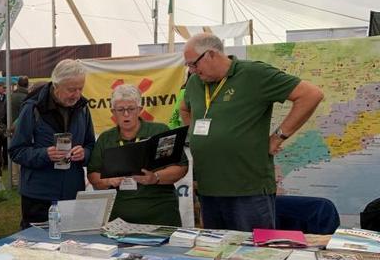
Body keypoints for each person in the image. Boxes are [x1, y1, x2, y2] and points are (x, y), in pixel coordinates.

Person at [179, 33, 323, 231]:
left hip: (248, 190)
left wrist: (278, 137)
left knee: (253, 255)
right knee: (215, 252)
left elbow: (310, 95)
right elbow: (184, 109)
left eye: (193, 64)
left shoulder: (254, 74)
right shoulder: (196, 83)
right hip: (209, 189)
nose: (192, 70)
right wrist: (198, 134)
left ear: (210, 54)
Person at [9, 59, 96, 229]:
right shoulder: (33, 108)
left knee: (70, 245)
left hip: (71, 193)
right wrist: (44, 154)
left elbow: (91, 145)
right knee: (36, 247)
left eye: (80, 89)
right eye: (71, 89)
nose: (77, 95)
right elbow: (16, 150)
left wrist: (84, 153)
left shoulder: (83, 108)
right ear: (56, 86)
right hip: (38, 195)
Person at [87, 84, 188, 225]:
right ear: (113, 112)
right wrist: (108, 181)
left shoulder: (160, 131)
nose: (126, 114)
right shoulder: (106, 139)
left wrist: (155, 178)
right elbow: (93, 175)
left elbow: (181, 168)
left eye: (131, 109)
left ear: (140, 109)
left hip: (161, 215)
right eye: (120, 110)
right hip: (118, 218)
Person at [9, 76, 30, 187]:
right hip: (22, 128)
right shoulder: (27, 98)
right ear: (27, 85)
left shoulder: (11, 96)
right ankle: (21, 180)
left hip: (11, 127)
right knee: (23, 153)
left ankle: (15, 180)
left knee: (14, 153)